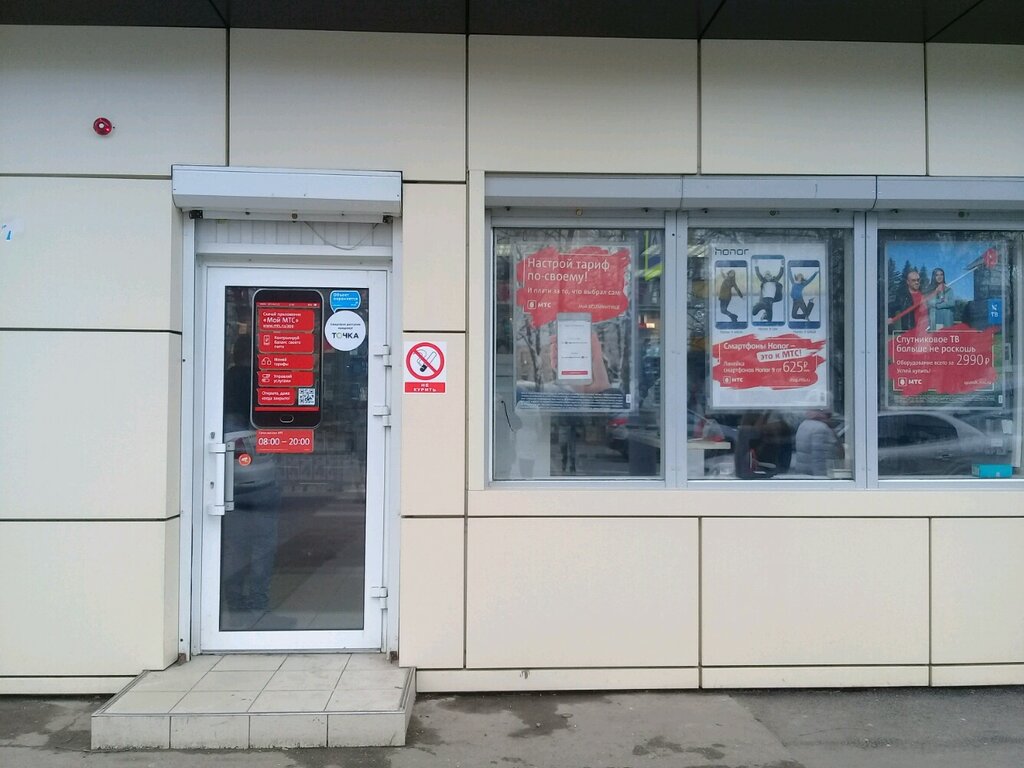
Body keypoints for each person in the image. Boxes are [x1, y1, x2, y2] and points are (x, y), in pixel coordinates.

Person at [791, 409, 843, 476]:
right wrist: (821, 478)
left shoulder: (804, 424)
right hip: (818, 475)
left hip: (804, 474)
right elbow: (819, 458)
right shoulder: (821, 428)